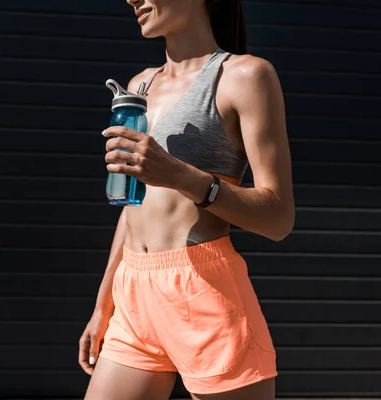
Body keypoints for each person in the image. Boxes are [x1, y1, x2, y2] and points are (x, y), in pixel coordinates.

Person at [78, 0, 295, 399]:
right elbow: (131, 209)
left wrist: (180, 175)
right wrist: (103, 304)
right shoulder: (140, 83)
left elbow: (279, 218)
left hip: (204, 290)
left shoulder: (244, 76)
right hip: (134, 294)